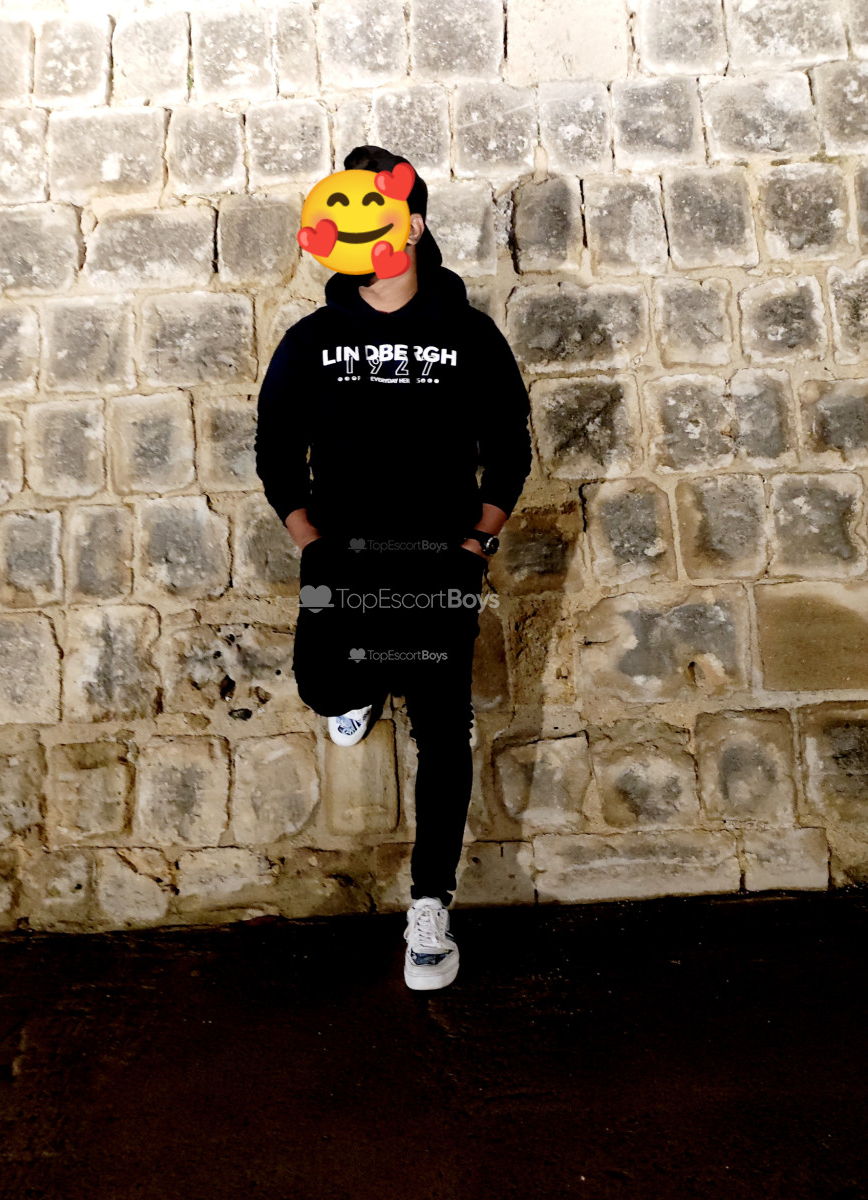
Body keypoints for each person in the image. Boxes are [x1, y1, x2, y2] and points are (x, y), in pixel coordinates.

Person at [255, 145, 532, 990]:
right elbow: (275, 450)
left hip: (440, 561)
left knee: (444, 727)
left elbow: (510, 451)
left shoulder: (469, 335)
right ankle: (361, 688)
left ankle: (430, 909)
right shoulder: (312, 341)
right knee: (324, 687)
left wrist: (477, 544)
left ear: (411, 226)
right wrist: (309, 541)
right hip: (342, 560)